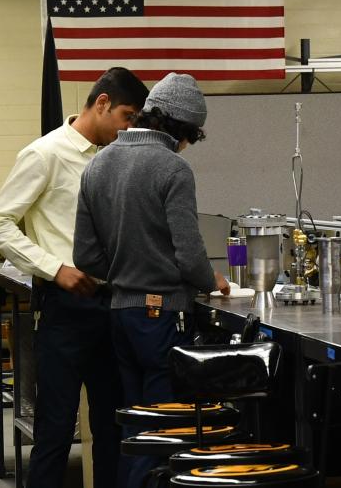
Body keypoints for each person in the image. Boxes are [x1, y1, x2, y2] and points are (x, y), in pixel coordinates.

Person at [0, 67, 147, 488]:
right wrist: (55, 269)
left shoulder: (116, 156)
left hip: (114, 304)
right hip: (67, 307)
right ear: (102, 103)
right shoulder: (45, 154)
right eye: (127, 116)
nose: (129, 127)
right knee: (54, 428)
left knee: (112, 425)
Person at [73, 73, 229, 487]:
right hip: (162, 317)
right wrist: (212, 280)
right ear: (180, 129)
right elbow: (189, 253)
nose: (188, 146)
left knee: (136, 424)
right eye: (190, 136)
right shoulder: (172, 168)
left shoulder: (97, 164)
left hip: (119, 314)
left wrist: (126, 270)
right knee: (166, 428)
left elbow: (84, 256)